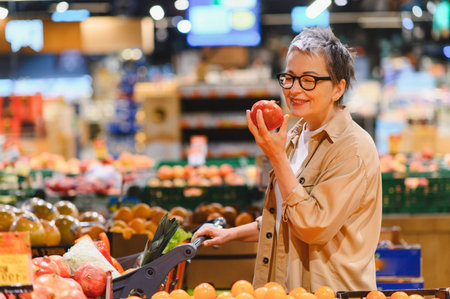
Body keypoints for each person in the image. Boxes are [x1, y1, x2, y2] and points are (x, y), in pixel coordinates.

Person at [192, 27, 382, 292]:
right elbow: (286, 216)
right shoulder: (295, 134)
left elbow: (313, 226)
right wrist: (229, 234)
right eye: (289, 77)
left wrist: (277, 156)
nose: (294, 89)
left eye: (308, 80)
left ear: (338, 88)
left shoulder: (353, 148)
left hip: (328, 292)